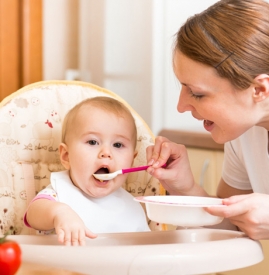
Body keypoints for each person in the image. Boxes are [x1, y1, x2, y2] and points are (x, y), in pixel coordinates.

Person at [146, 0, 269, 240]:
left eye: (198, 93)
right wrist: (186, 188)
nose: (181, 107)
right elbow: (230, 223)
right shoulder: (244, 134)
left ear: (259, 90)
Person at [24, 96, 150, 246]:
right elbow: (33, 214)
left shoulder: (133, 206)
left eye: (117, 144)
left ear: (132, 161)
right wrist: (59, 213)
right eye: (92, 142)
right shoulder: (58, 194)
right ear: (66, 156)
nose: (106, 152)